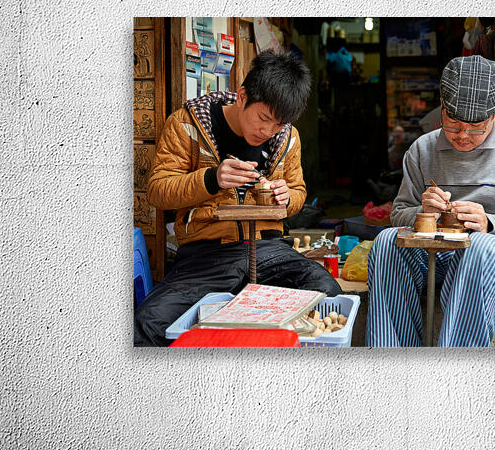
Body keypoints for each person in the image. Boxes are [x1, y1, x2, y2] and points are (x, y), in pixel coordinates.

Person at [135, 51, 341, 347]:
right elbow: (158, 190)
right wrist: (211, 179)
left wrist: (287, 197)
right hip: (207, 256)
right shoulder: (187, 124)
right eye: (264, 118)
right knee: (148, 323)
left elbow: (298, 192)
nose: (267, 131)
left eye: (278, 124)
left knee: (326, 291)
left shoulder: (288, 137)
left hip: (271, 250)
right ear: (242, 96)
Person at [366, 55, 495, 347]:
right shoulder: (422, 150)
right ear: (441, 107)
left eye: (476, 127)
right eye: (453, 124)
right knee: (387, 243)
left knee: (476, 247)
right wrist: (423, 213)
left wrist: (490, 222)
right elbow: (399, 214)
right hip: (436, 251)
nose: (463, 136)